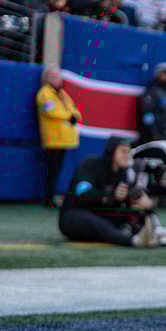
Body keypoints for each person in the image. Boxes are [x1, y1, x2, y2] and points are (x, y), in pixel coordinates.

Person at [59, 136, 156, 247]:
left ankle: (159, 234)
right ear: (111, 151)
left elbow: (120, 202)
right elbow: (83, 195)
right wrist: (111, 195)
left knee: (137, 212)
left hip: (101, 216)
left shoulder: (123, 173)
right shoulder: (91, 164)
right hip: (74, 216)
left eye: (129, 152)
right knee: (98, 223)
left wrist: (145, 204)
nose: (127, 156)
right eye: (123, 151)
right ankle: (133, 241)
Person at [37, 64, 81, 207]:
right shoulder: (44, 93)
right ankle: (48, 199)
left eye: (58, 77)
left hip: (64, 139)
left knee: (57, 170)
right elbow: (50, 111)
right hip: (53, 139)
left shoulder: (62, 94)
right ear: (47, 78)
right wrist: (69, 116)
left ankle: (51, 197)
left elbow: (75, 109)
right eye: (53, 77)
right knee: (52, 171)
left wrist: (73, 115)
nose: (57, 80)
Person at [137, 62, 166, 145]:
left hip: (164, 136)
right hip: (152, 137)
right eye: (165, 73)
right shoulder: (152, 90)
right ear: (158, 74)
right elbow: (147, 113)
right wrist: (153, 134)